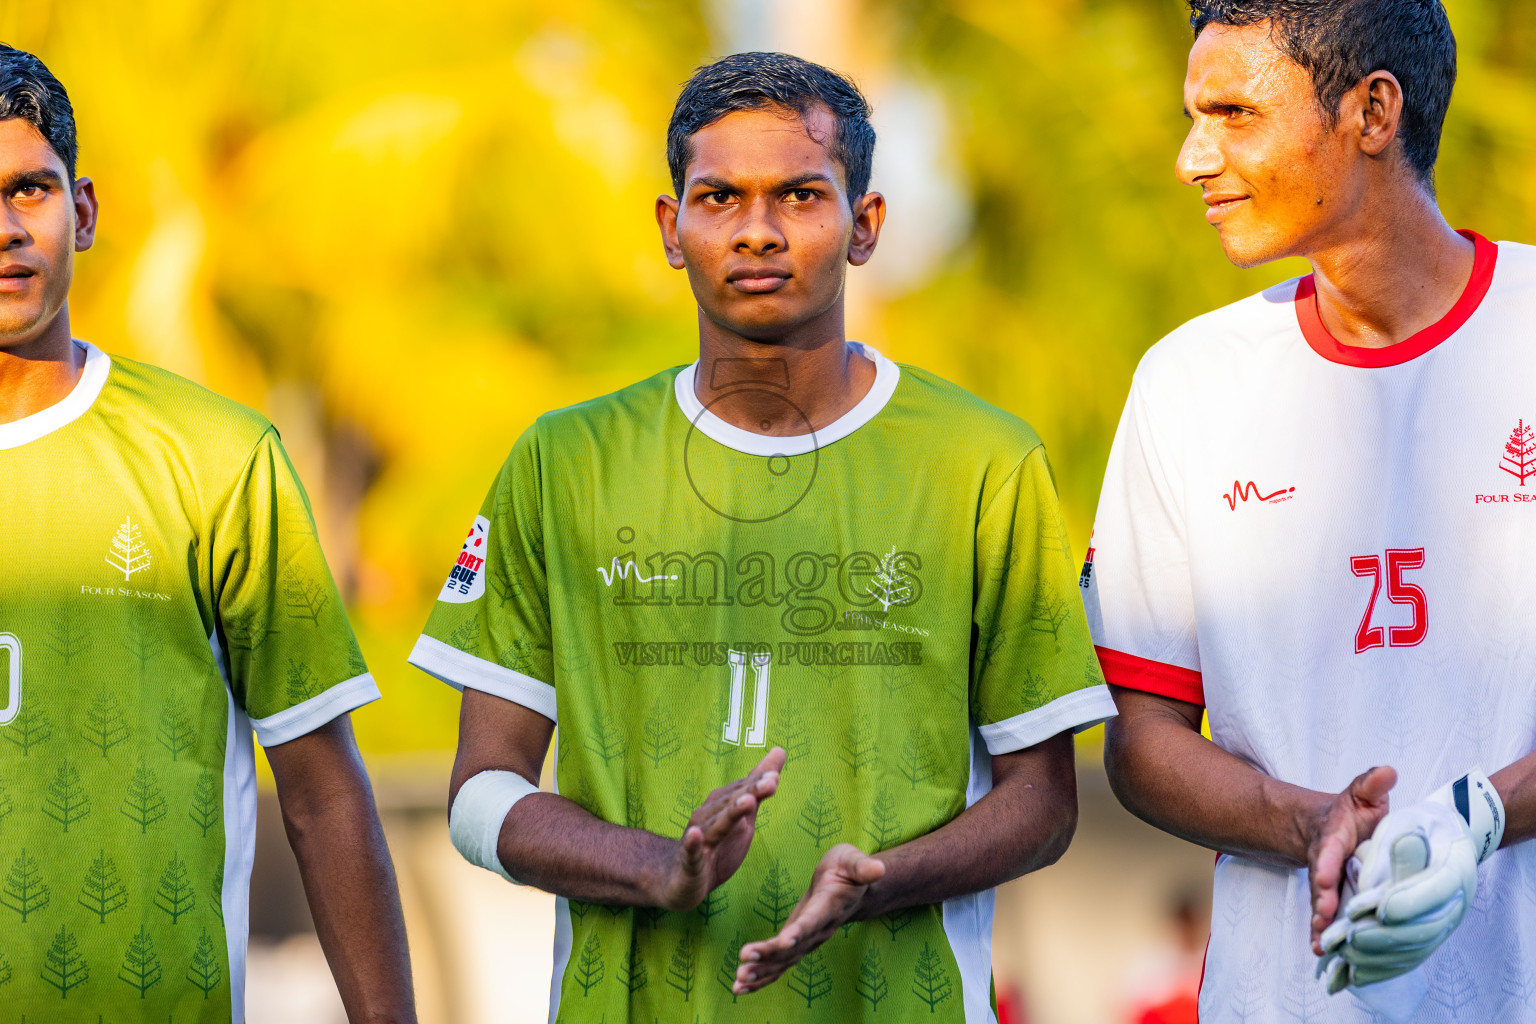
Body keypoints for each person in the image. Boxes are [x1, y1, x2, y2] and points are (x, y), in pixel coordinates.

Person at [411, 51, 1115, 1023]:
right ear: (672, 227)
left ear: (864, 225)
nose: (756, 230)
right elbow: (479, 795)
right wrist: (659, 866)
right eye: (717, 197)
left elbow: (1045, 804)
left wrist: (881, 879)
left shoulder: (983, 466)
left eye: (798, 194)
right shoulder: (561, 464)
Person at [1084, 0, 1536, 1020]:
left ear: (1372, 111)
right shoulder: (1186, 384)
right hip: (1284, 998)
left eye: (1234, 113)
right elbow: (1142, 737)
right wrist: (1314, 822)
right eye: (1194, 116)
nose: (1192, 158)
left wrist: (1474, 819)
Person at [0, 44, 415, 1022]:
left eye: (29, 189)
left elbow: (322, 793)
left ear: (85, 210)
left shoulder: (217, 458)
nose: (5, 229)